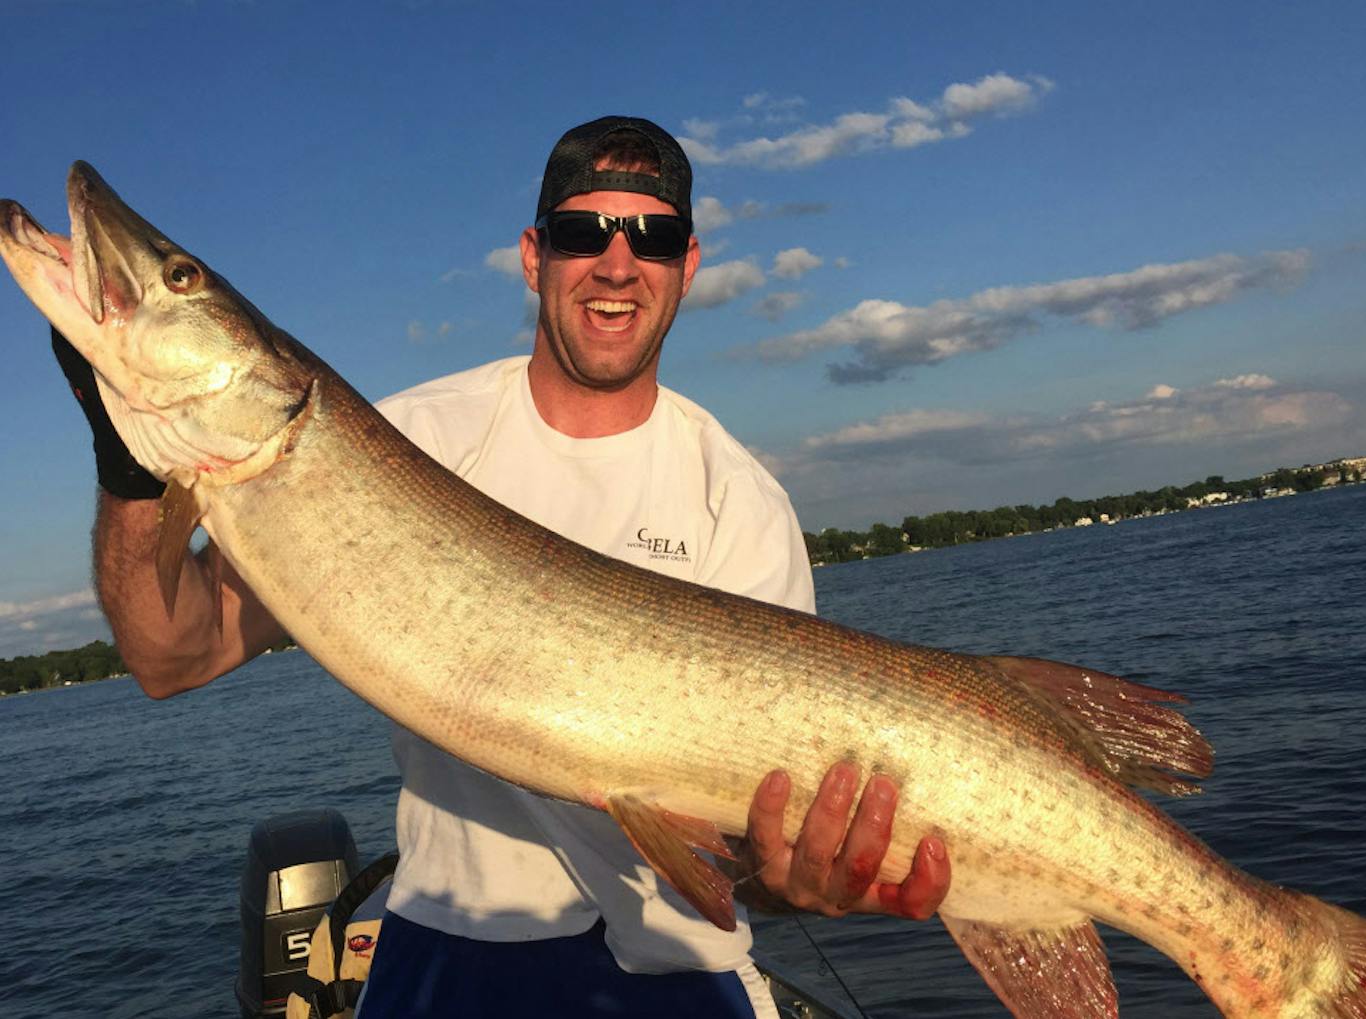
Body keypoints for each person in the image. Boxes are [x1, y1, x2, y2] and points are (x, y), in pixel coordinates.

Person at [53, 115, 949, 1017]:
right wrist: (131, 473)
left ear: (688, 266)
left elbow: (752, 865)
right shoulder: (406, 439)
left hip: (678, 963)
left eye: (655, 236)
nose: (616, 262)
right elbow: (171, 656)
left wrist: (801, 876)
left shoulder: (741, 503)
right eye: (580, 232)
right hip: (451, 946)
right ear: (534, 255)